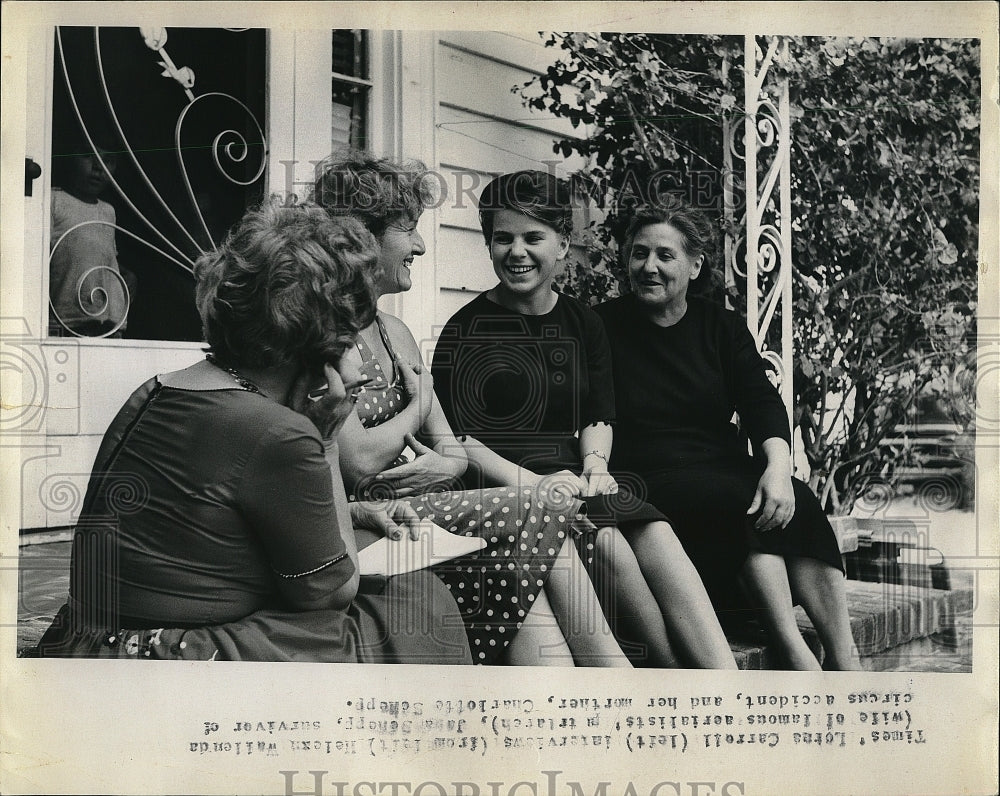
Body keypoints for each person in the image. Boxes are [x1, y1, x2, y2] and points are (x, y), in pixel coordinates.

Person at [31, 202, 471, 664]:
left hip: (89, 641)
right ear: (310, 339)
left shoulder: (158, 389)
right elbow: (334, 592)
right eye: (350, 339)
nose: (361, 368)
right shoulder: (281, 434)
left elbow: (210, 518)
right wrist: (323, 441)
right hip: (180, 659)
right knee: (416, 598)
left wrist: (354, 510)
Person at [313, 151, 631, 667]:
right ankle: (607, 664)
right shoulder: (326, 334)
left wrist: (439, 453)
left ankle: (585, 673)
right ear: (361, 238)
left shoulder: (395, 334)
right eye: (408, 229)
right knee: (543, 506)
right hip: (377, 519)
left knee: (539, 569)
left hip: (435, 506)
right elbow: (358, 463)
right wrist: (417, 413)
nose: (419, 244)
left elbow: (452, 452)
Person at [431, 170, 737, 669]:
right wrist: (534, 485)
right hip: (503, 481)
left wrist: (595, 465)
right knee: (611, 546)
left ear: (562, 243)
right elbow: (460, 441)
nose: (517, 252)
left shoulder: (582, 321)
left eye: (533, 238)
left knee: (655, 531)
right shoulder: (466, 329)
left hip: (574, 472)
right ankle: (672, 675)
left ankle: (721, 677)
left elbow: (599, 414)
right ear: (488, 245)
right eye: (502, 239)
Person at [594, 195, 861, 670]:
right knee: (740, 502)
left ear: (695, 266)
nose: (649, 266)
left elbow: (760, 401)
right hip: (649, 477)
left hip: (720, 466)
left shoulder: (720, 326)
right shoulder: (602, 326)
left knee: (792, 496)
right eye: (639, 253)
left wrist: (778, 468)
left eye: (665, 255)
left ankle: (844, 656)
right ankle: (792, 647)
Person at [49, 144, 134, 337]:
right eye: (88, 155)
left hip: (109, 320)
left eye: (108, 160)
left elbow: (103, 255)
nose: (98, 167)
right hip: (68, 319)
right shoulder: (53, 201)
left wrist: (124, 275)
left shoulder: (107, 211)